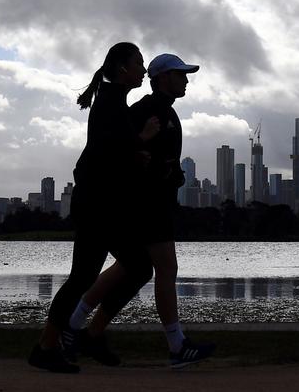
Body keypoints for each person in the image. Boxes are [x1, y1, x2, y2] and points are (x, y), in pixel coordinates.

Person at [28, 42, 160, 374]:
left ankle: (87, 335)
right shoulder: (110, 104)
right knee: (86, 277)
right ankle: (49, 345)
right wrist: (141, 140)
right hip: (97, 206)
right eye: (139, 63)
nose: (143, 70)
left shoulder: (114, 102)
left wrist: (137, 150)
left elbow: (111, 153)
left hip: (104, 205)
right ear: (122, 69)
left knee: (134, 268)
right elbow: (107, 154)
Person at [86, 53, 216, 368]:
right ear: (160, 79)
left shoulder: (165, 112)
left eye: (185, 75)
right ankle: (176, 345)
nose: (185, 80)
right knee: (165, 270)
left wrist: (172, 173)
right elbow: (123, 151)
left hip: (152, 202)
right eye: (179, 74)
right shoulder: (145, 111)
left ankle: (80, 329)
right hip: (146, 204)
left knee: (128, 268)